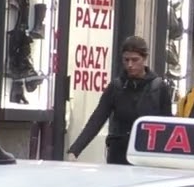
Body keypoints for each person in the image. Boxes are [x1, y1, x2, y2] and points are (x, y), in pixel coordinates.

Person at [68, 36, 174, 165]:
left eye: (135, 60)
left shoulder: (158, 88)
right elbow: (97, 119)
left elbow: (168, 125)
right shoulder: (116, 87)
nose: (130, 65)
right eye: (126, 60)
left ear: (144, 59)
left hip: (147, 155)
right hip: (118, 154)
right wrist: (75, 150)